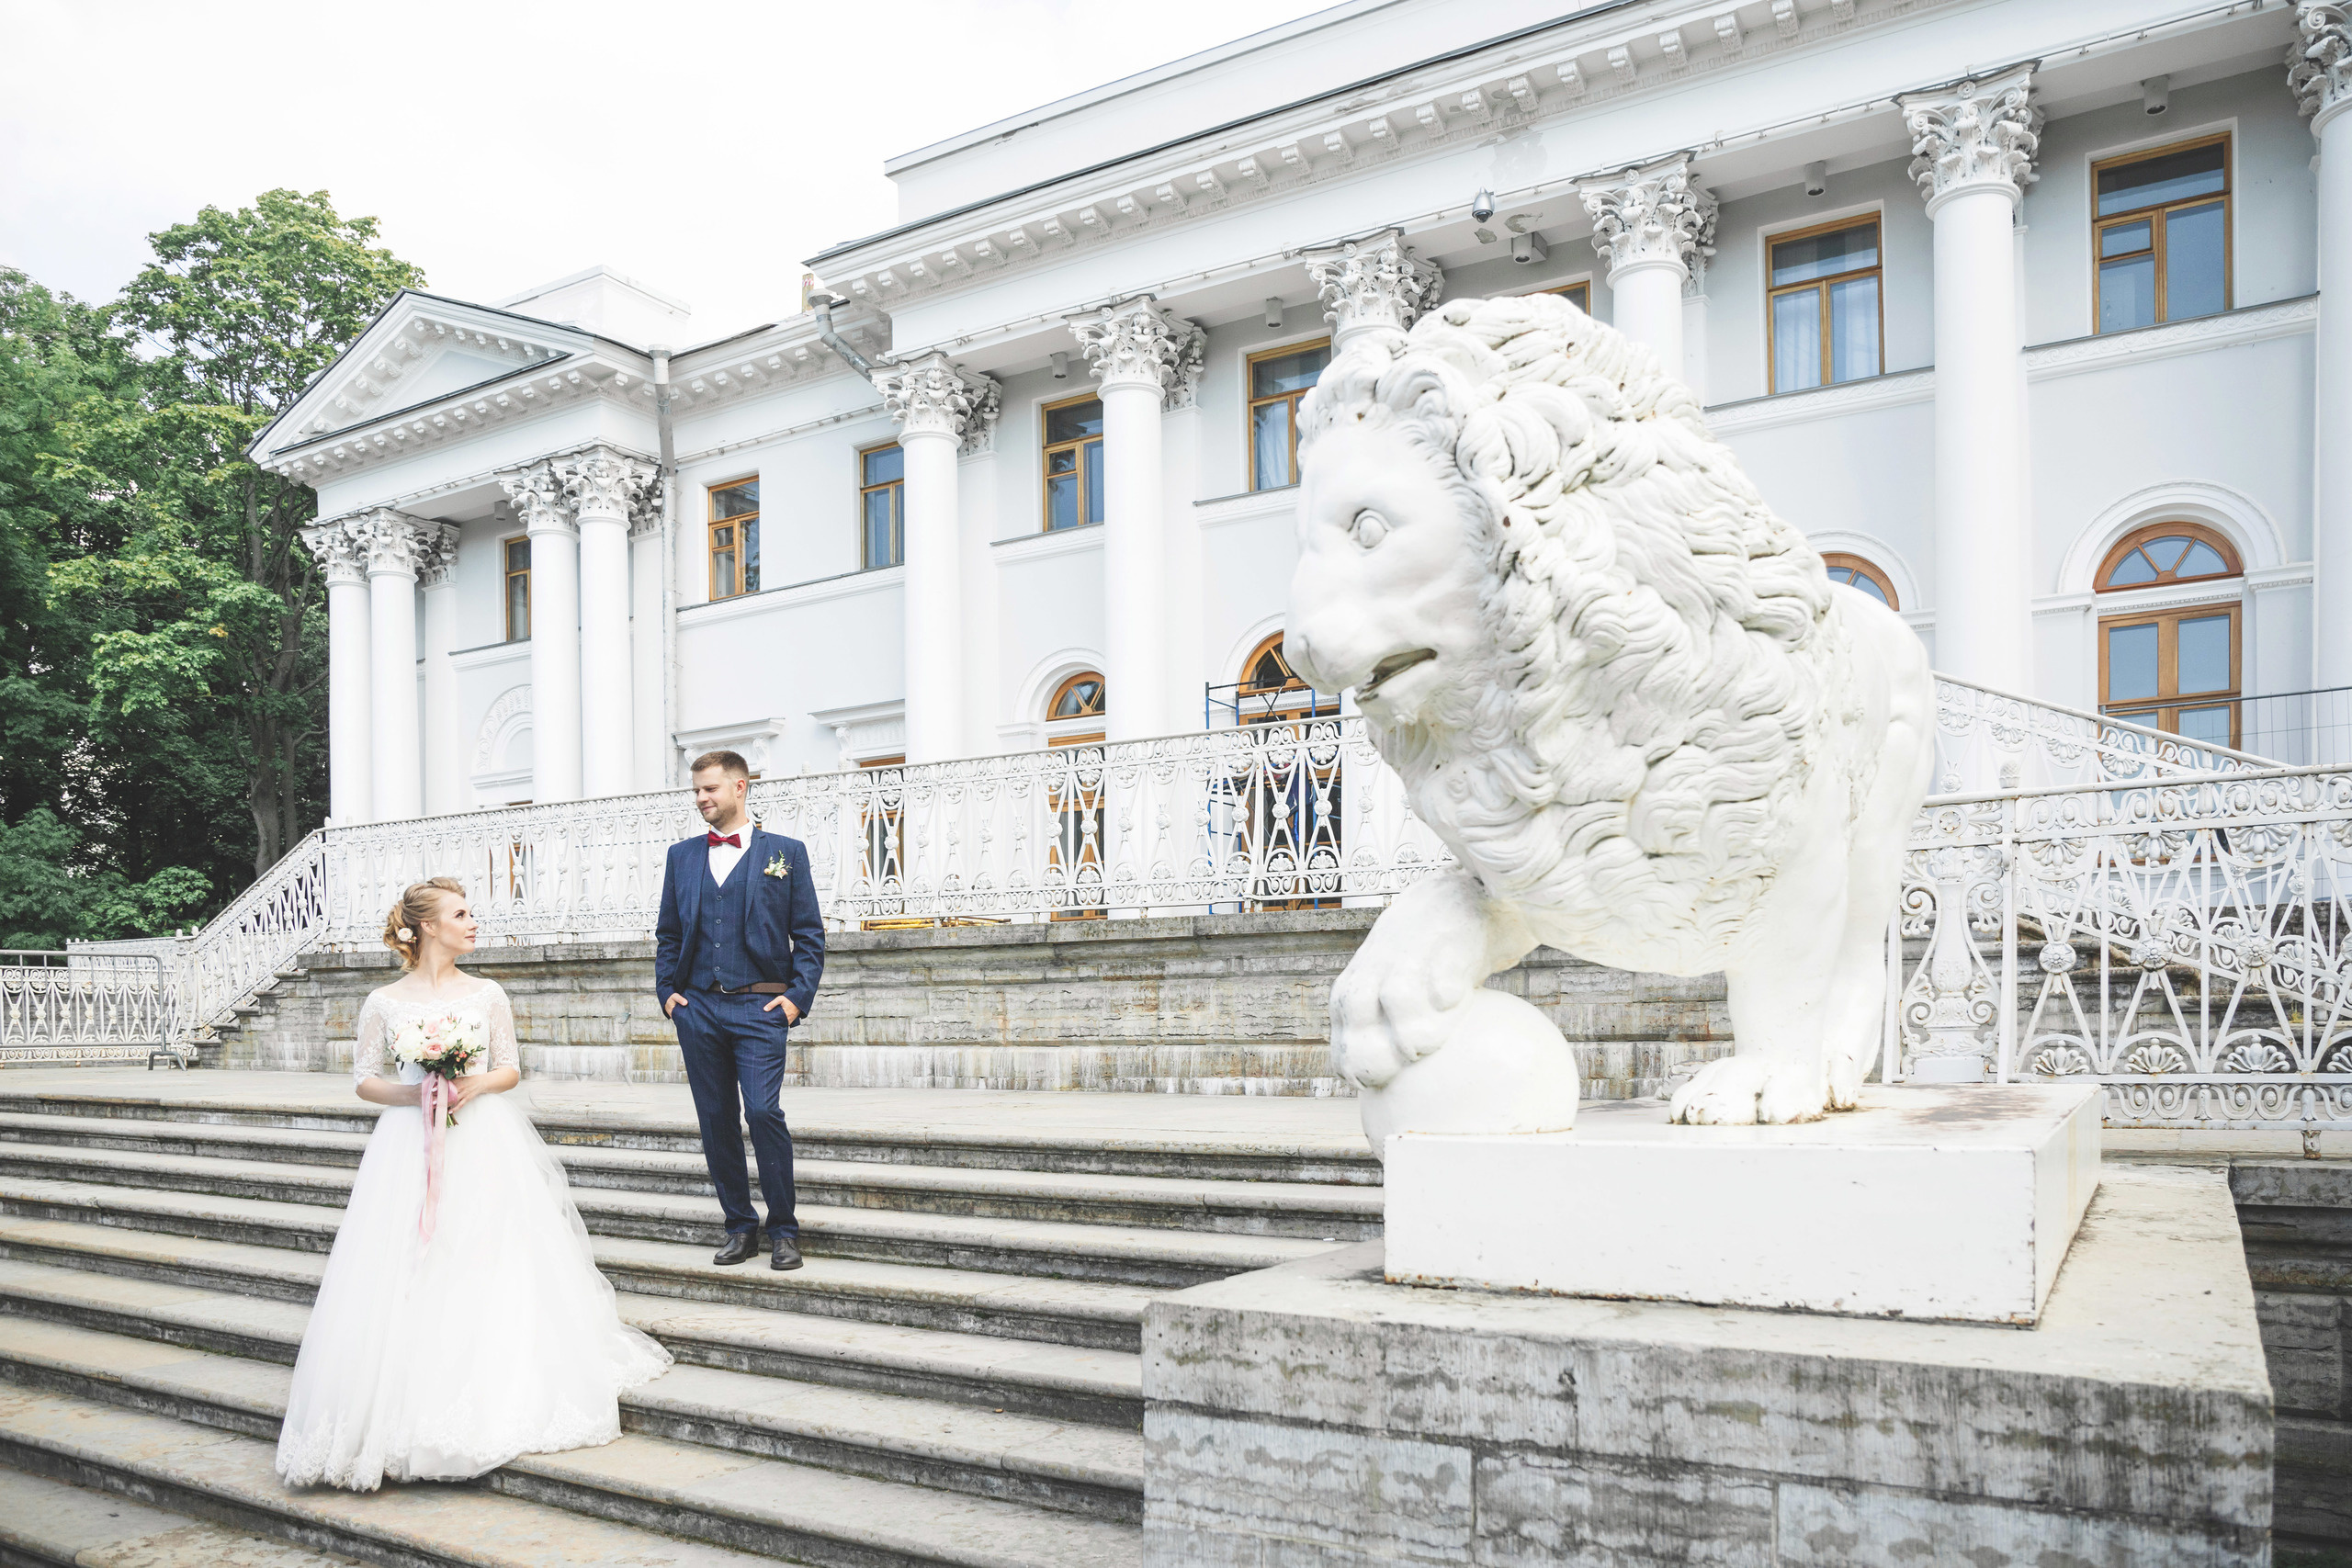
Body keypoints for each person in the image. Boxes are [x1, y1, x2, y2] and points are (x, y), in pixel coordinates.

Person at [276, 876, 671, 1492]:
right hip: (408, 1144)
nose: (473, 923)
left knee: (488, 1252)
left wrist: (472, 1084)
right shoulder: (384, 1001)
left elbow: (509, 1067)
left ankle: (489, 1378)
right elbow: (364, 1078)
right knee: (408, 1257)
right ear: (427, 926)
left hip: (483, 1138)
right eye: (460, 914)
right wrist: (417, 1093)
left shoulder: (487, 994)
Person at [653, 750, 826, 1271]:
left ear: (740, 787)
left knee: (763, 1112)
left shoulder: (786, 853)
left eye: (710, 789)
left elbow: (809, 935)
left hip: (761, 1006)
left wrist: (795, 999)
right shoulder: (681, 856)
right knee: (716, 1119)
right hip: (698, 1007)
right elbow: (668, 934)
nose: (701, 799)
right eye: (696, 791)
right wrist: (668, 994)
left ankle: (784, 1230)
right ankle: (739, 1226)